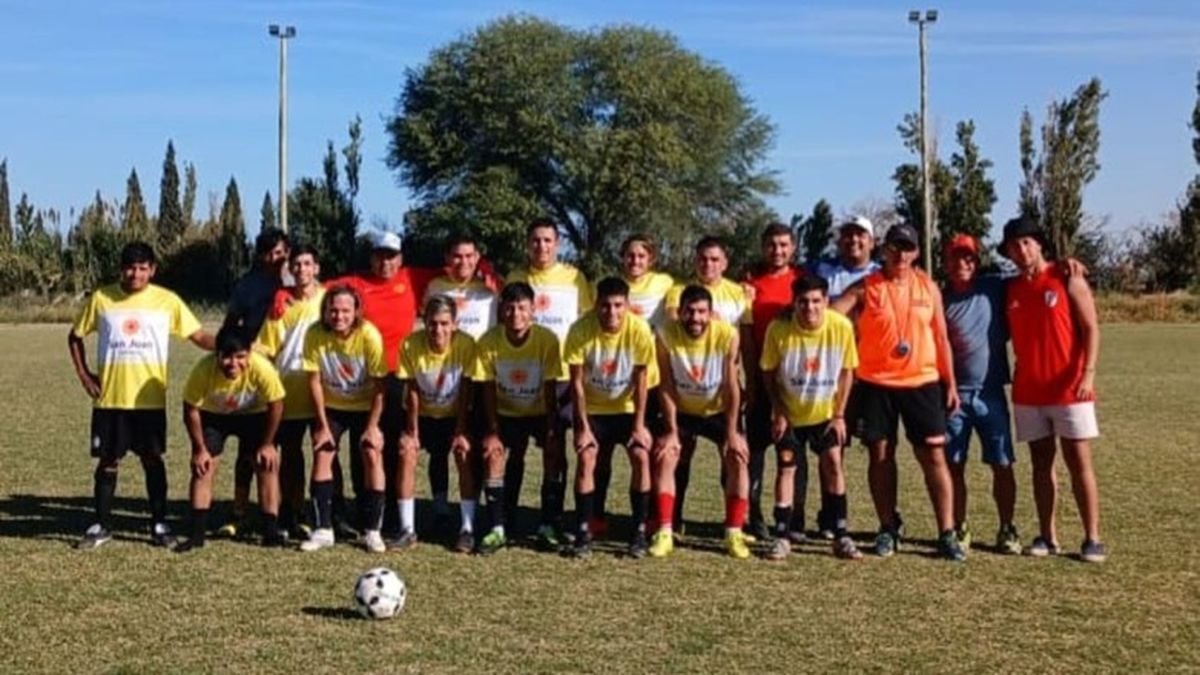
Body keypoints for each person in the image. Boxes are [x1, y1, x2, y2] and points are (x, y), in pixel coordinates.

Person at [832, 224, 965, 562]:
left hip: (922, 382)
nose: (901, 254)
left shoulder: (928, 287)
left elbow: (941, 337)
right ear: (884, 249)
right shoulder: (867, 286)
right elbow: (832, 313)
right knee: (880, 455)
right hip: (876, 383)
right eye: (895, 247)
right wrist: (800, 311)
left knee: (933, 456)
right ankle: (888, 527)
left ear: (917, 252)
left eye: (908, 248)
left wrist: (950, 382)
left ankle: (947, 532)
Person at [68, 241, 214, 550]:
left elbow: (199, 335)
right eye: (130, 268)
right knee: (108, 460)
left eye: (142, 268)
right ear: (121, 269)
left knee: (152, 459)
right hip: (111, 399)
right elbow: (75, 336)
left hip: (149, 399)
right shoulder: (102, 298)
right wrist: (84, 375)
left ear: (152, 270)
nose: (135, 274)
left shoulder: (167, 301)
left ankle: (159, 524)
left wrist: (231, 345)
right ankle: (102, 525)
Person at [1001, 216, 1106, 563]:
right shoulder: (1011, 288)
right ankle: (1048, 536)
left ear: (1039, 244)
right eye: (1014, 246)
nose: (1021, 250)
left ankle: (1092, 538)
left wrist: (1088, 374)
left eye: (1026, 243)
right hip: (1029, 391)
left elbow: (1091, 329)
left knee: (1079, 462)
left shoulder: (1067, 277)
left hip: (1070, 388)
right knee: (1041, 465)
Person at [327, 231, 427, 541]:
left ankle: (395, 512)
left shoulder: (413, 278)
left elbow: (458, 270)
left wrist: (486, 270)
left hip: (399, 377)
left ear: (401, 258)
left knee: (395, 445)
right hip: (367, 378)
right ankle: (365, 509)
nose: (386, 262)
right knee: (366, 445)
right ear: (371, 258)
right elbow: (317, 290)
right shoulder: (356, 283)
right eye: (380, 255)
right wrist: (284, 295)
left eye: (391, 256)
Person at [761, 275, 862, 561]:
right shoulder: (778, 329)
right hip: (791, 414)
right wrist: (779, 410)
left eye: (817, 301)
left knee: (833, 463)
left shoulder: (841, 327)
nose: (810, 308)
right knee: (786, 468)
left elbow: (847, 371)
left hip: (825, 414)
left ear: (826, 301)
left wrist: (839, 415)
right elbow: (768, 371)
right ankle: (782, 535)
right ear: (794, 303)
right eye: (803, 302)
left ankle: (841, 534)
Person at [648, 285, 751, 559]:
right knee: (666, 456)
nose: (696, 318)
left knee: (738, 457)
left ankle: (734, 532)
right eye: (690, 311)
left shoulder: (727, 334)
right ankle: (665, 531)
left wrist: (732, 432)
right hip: (683, 410)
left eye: (702, 312)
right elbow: (666, 385)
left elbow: (731, 385)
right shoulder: (665, 334)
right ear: (680, 312)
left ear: (711, 313)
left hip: (718, 410)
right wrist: (671, 431)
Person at [504, 219, 592, 533]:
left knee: (555, 448)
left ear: (558, 243)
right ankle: (506, 516)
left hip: (562, 376)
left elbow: (585, 323)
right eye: (535, 240)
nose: (541, 246)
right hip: (522, 376)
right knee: (514, 449)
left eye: (547, 240)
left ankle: (550, 518)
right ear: (527, 243)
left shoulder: (574, 278)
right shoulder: (515, 277)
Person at [663, 236, 755, 536]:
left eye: (715, 259)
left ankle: (738, 522)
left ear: (725, 263)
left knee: (732, 453)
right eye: (703, 258)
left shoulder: (739, 293)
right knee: (680, 454)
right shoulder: (678, 292)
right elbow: (675, 324)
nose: (708, 264)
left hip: (722, 388)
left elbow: (746, 339)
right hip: (686, 387)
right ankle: (672, 519)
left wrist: (749, 381)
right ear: (695, 261)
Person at [472, 282, 568, 553]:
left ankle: (548, 525)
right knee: (492, 452)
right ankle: (497, 529)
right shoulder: (488, 341)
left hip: (538, 413)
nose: (516, 314)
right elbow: (487, 390)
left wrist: (551, 429)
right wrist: (493, 431)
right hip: (505, 413)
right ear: (501, 310)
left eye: (522, 308)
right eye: (510, 307)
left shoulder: (547, 340)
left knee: (555, 451)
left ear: (533, 310)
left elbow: (550, 388)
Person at [941, 234, 1021, 555]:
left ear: (977, 261)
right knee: (953, 465)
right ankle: (959, 526)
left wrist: (1063, 267)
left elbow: (1032, 273)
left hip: (991, 393)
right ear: (945, 262)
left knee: (1002, 463)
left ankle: (1007, 527)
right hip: (953, 396)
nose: (962, 263)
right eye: (955, 257)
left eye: (968, 257)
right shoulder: (939, 298)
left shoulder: (995, 287)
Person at [564, 277, 656, 558]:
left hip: (626, 409)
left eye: (618, 305)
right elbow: (576, 383)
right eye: (605, 305)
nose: (612, 312)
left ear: (627, 305)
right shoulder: (580, 330)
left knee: (641, 456)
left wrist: (639, 425)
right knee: (587, 457)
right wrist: (582, 427)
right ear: (596, 305)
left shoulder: (639, 329)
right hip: (593, 409)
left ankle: (639, 531)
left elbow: (641, 381)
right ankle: (584, 530)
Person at [176, 326, 286, 552]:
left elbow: (276, 404)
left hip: (253, 415)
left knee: (267, 465)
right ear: (216, 354)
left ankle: (270, 531)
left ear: (249, 354)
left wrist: (268, 444)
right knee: (203, 468)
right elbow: (190, 409)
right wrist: (199, 449)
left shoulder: (262, 368)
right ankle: (197, 534)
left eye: (240, 357)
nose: (233, 363)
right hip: (214, 416)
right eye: (226, 357)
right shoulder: (203, 369)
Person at [298, 286, 389, 553]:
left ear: (356, 311)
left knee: (372, 452)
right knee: (322, 451)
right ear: (325, 311)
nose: (339, 316)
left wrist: (372, 427)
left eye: (345, 311)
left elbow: (380, 387)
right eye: (333, 310)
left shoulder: (369, 335)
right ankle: (323, 529)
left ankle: (373, 531)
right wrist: (322, 425)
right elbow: (314, 382)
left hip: (365, 407)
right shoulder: (315, 333)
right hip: (332, 406)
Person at [420, 235, 497, 532]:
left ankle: (476, 509)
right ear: (447, 258)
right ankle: (440, 506)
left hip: (481, 377)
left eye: (468, 256)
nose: (462, 262)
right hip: (445, 376)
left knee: (474, 448)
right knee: (439, 449)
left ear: (477, 258)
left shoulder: (490, 288)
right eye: (456, 256)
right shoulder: (435, 287)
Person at [396, 297, 478, 552]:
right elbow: (412, 390)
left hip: (455, 414)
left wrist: (461, 430)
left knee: (463, 452)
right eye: (432, 323)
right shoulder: (410, 344)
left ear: (454, 324)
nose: (438, 330)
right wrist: (412, 432)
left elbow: (466, 389)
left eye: (444, 324)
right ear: (424, 322)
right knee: (406, 451)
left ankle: (467, 529)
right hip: (422, 414)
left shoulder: (466, 344)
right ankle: (407, 529)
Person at [255, 244, 325, 539]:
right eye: (296, 265)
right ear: (290, 269)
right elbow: (267, 348)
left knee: (326, 454)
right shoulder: (280, 306)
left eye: (307, 264)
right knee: (292, 455)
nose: (302, 269)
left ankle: (329, 513)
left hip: (323, 391)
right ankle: (293, 511)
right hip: (290, 390)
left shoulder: (329, 299)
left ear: (316, 268)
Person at [743, 223, 807, 543]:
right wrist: (751, 381)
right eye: (771, 245)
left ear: (793, 247)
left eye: (783, 245)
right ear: (762, 247)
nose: (777, 251)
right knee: (755, 450)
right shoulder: (749, 284)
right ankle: (752, 515)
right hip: (760, 377)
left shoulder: (802, 280)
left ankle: (795, 517)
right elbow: (745, 335)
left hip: (794, 381)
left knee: (792, 452)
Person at [808, 216, 881, 299]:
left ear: (871, 243)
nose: (854, 239)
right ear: (839, 242)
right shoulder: (820, 269)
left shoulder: (881, 274)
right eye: (848, 235)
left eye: (860, 235)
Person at [620, 234, 675, 330]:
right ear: (623, 258)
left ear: (650, 260)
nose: (635, 261)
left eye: (641, 256)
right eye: (630, 255)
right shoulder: (614, 286)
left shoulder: (664, 282)